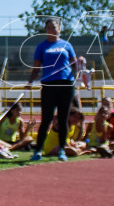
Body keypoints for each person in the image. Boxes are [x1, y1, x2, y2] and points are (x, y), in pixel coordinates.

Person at [26, 17, 78, 162]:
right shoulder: (42, 46)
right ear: (46, 30)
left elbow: (75, 64)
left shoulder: (66, 45)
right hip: (49, 85)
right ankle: (37, 151)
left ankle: (62, 149)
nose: (51, 30)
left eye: (54, 27)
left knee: (63, 118)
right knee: (46, 118)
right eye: (48, 28)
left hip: (66, 84)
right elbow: (36, 67)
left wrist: (80, 62)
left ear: (59, 29)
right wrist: (30, 82)